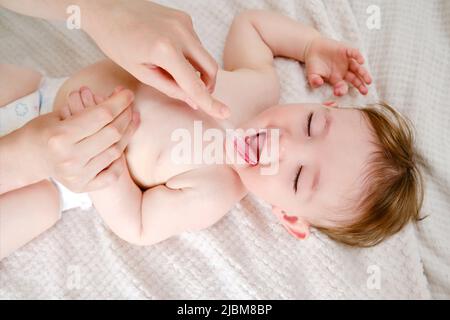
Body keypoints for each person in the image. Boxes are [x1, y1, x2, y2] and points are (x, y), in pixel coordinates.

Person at [1, 10, 424, 258]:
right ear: (324, 105)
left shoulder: (215, 192)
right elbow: (251, 26)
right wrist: (311, 45)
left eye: (297, 177)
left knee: (37, 208)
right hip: (42, 92)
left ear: (289, 216)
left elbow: (139, 224)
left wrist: (109, 173)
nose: (284, 145)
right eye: (311, 125)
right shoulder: (258, 86)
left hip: (59, 181)